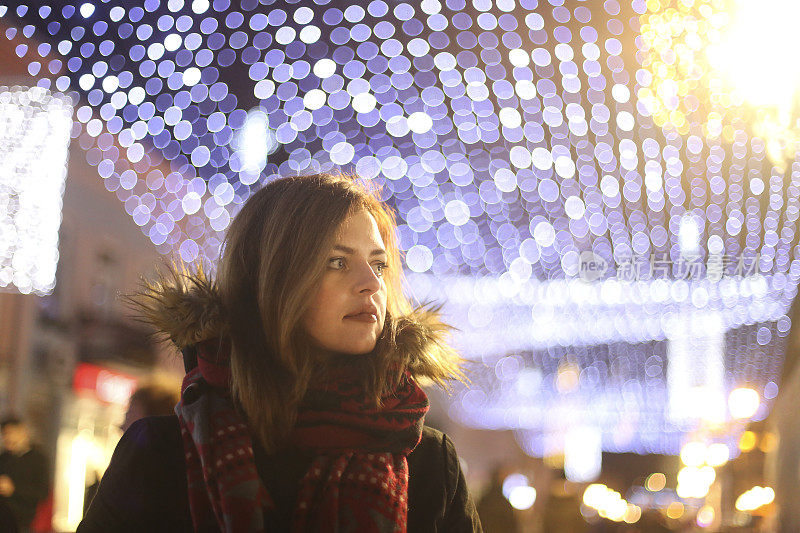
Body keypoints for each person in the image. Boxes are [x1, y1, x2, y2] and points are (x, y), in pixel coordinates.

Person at [78, 173, 482, 532]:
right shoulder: (163, 455)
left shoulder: (427, 463)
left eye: (378, 265)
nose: (370, 284)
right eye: (337, 262)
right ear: (270, 279)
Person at [84, 383, 181, 516]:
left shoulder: (135, 485)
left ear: (152, 423)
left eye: (129, 414)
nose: (121, 426)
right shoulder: (178, 481)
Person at [0, 416, 49, 532]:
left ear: (22, 431)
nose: (7, 438)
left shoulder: (38, 459)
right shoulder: (3, 458)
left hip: (22, 523)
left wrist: (14, 489)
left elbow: (42, 493)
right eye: (4, 434)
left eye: (10, 433)